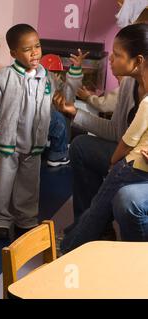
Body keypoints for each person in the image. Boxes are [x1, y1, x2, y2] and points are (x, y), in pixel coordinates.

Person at [0, 24, 86, 239]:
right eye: (27, 49)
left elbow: (65, 97)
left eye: (37, 46)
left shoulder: (46, 76)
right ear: (14, 53)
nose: (35, 52)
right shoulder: (5, 76)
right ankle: (0, 220)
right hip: (6, 143)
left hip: (34, 144)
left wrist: (74, 72)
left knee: (29, 185)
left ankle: (25, 220)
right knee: (2, 184)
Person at [54, 23, 148, 233]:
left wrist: (118, 162)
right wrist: (75, 112)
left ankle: (88, 232)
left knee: (126, 198)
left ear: (138, 61)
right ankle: (95, 229)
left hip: (141, 166)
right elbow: (116, 132)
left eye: (117, 54)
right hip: (126, 158)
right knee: (80, 146)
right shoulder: (128, 85)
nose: (111, 59)